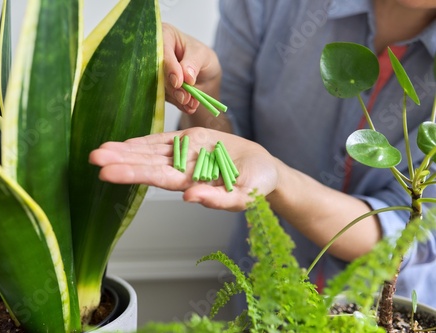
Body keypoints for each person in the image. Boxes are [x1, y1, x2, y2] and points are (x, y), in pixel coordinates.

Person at [89, 0, 436, 308]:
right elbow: (227, 146)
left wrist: (280, 180)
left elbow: (408, 235)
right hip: (262, 294)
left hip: (390, 309)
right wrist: (206, 89)